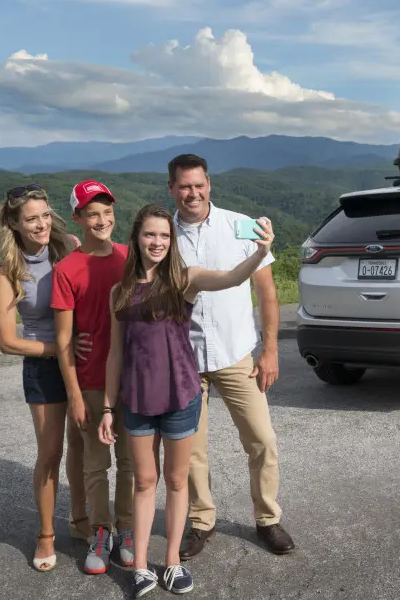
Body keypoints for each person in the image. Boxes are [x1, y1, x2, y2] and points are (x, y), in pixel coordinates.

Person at [98, 204, 275, 597]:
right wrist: (108, 408)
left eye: (164, 235)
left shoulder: (184, 279)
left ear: (171, 240)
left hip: (181, 396)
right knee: (144, 482)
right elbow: (115, 355)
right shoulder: (119, 292)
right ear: (137, 238)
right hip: (139, 400)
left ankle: (173, 561)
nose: (158, 241)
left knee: (178, 481)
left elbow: (231, 278)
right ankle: (142, 566)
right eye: (150, 234)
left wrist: (260, 254)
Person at [166, 154, 296, 559]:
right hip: (184, 359)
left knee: (262, 440)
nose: (192, 193)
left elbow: (267, 292)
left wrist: (270, 350)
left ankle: (267, 519)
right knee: (191, 451)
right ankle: (202, 522)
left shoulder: (241, 226)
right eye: (184, 186)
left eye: (198, 185)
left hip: (237, 352)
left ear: (210, 185)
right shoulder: (160, 234)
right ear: (171, 188)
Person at [0, 182, 92, 572]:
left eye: (45, 215)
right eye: (31, 219)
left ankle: (81, 520)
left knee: (82, 444)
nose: (41, 224)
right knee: (50, 453)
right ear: (14, 224)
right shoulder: (9, 273)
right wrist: (57, 350)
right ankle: (46, 534)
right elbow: (7, 341)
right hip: (44, 363)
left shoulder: (67, 245)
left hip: (82, 358)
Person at [51, 179, 135, 574]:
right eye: (92, 213)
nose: (102, 220)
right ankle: (100, 532)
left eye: (107, 212)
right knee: (96, 462)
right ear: (78, 218)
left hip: (133, 379)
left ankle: (127, 529)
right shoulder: (67, 269)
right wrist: (75, 397)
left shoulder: (128, 256)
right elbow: (65, 342)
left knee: (131, 460)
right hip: (91, 379)